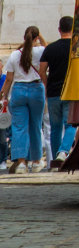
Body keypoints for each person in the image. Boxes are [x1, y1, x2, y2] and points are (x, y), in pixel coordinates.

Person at [1, 26, 47, 173]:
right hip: (36, 89)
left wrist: (3, 95)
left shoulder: (15, 55)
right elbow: (49, 49)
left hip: (19, 90)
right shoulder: (40, 51)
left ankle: (21, 162)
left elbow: (8, 79)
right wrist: (41, 37)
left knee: (19, 127)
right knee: (35, 126)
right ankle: (36, 161)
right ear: (36, 38)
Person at [41, 17, 75, 168]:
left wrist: (47, 85)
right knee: (70, 125)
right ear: (73, 29)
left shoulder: (50, 48)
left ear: (59, 29)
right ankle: (63, 151)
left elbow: (42, 71)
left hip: (53, 91)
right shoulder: (77, 48)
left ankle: (56, 160)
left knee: (55, 127)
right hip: (71, 91)